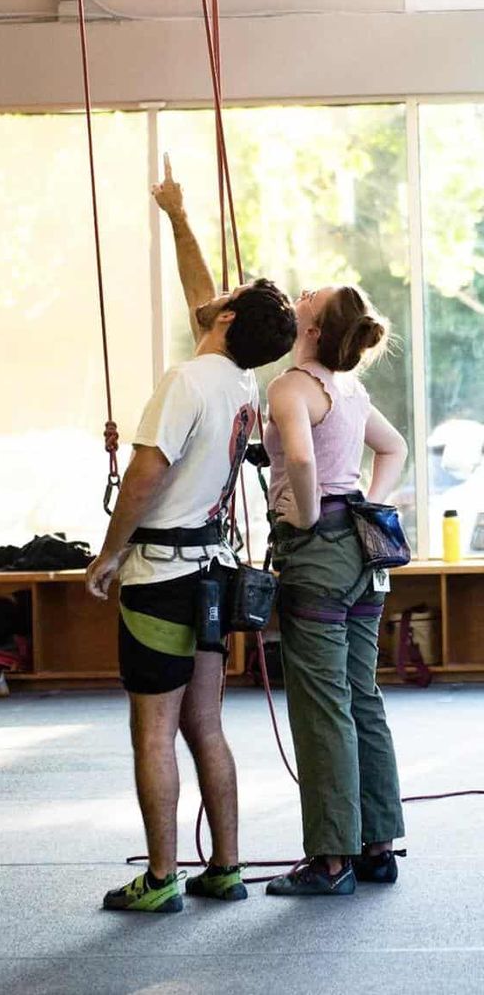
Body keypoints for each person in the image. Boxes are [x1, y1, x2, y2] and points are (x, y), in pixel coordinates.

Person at [86, 155, 296, 914]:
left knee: (154, 729)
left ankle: (162, 876)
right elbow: (203, 291)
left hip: (162, 575)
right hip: (211, 570)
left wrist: (108, 554)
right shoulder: (240, 381)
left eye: (223, 302)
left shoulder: (186, 381)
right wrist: (176, 215)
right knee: (206, 723)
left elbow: (142, 477)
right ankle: (226, 867)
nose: (211, 301)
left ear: (228, 321)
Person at [263, 284, 407, 897]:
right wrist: (367, 504)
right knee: (360, 695)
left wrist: (301, 514)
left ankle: (329, 861)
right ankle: (377, 846)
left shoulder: (292, 386)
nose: (297, 294)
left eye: (308, 296)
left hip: (318, 551)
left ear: (314, 328)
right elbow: (393, 447)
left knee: (323, 705)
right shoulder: (348, 388)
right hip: (362, 551)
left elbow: (298, 456)